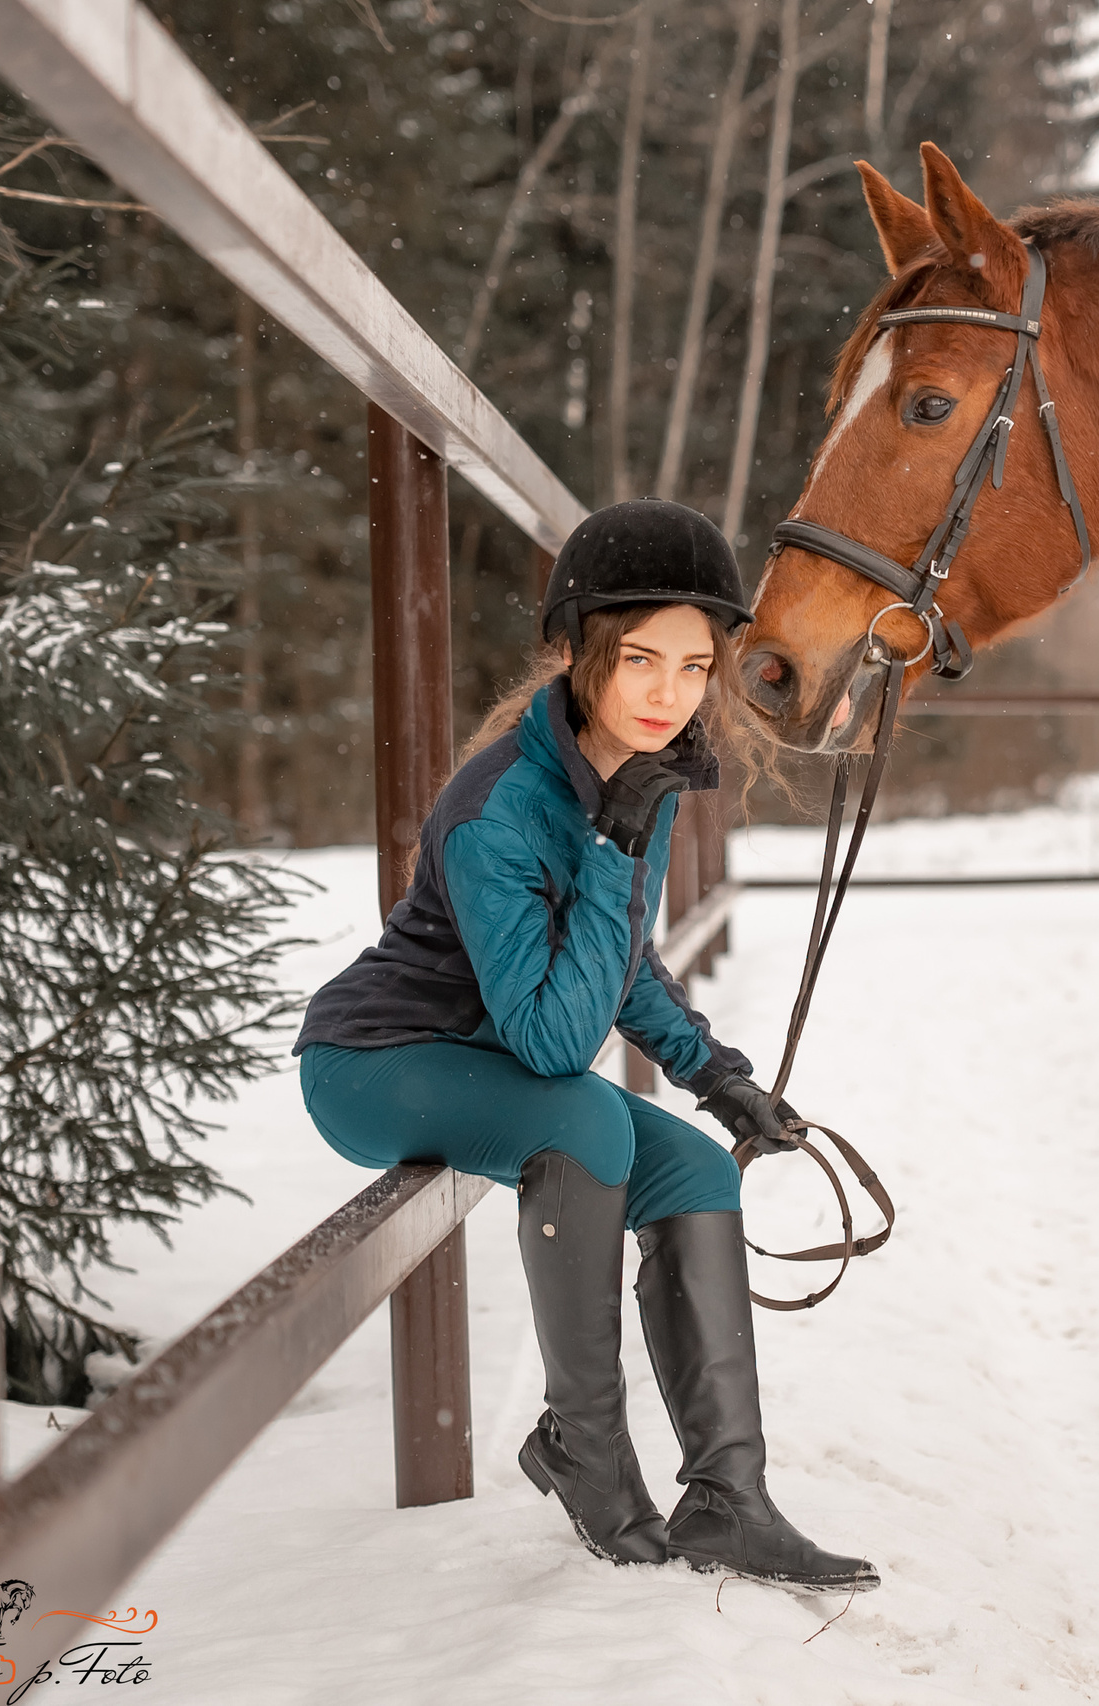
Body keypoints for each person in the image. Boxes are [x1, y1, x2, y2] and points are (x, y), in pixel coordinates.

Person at [292, 499, 875, 1591]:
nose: (669, 691)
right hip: (381, 1063)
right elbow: (557, 1042)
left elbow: (621, 965)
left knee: (696, 1168)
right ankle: (585, 1450)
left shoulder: (630, 774)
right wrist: (613, 846)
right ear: (576, 650)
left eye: (695, 665)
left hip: (496, 1064)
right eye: (640, 658)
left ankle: (727, 1497)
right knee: (585, 1110)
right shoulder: (501, 811)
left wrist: (720, 1078)